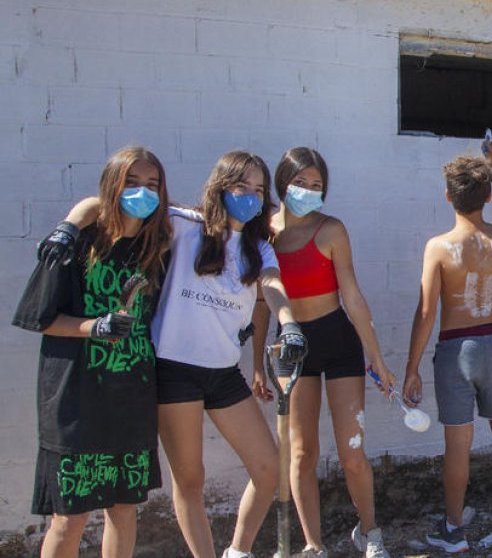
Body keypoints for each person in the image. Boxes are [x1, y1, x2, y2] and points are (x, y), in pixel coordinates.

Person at [56, 151, 307, 558]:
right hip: (175, 371)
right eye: (241, 186)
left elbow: (273, 283)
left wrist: (289, 322)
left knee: (269, 470)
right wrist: (68, 228)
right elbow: (100, 205)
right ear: (222, 186)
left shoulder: (258, 246)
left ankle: (238, 551)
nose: (250, 196)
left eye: (259, 190)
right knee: (190, 482)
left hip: (224, 373)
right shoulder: (185, 225)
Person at [15, 146, 171, 558]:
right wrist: (95, 327)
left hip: (132, 397)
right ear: (112, 187)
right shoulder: (76, 243)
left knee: (124, 510)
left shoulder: (158, 245)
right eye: (132, 183)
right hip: (76, 399)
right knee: (70, 518)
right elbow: (41, 318)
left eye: (152, 184)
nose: (142, 192)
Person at [402, 138, 492, 554]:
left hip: (456, 348)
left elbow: (427, 311)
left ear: (448, 196)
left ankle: (453, 530)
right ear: (486, 196)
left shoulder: (439, 247)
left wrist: (411, 368)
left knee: (457, 445)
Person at [263, 147, 395, 558]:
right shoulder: (263, 231)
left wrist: (376, 357)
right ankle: (313, 545)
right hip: (291, 343)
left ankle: (370, 533)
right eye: (300, 182)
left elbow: (352, 296)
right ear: (283, 181)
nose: (307, 190)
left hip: (337, 340)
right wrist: (254, 364)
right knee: (301, 454)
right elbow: (256, 300)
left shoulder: (331, 229)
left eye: (316, 185)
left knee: (352, 451)